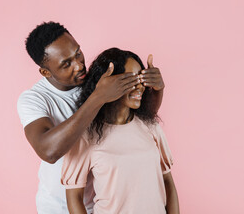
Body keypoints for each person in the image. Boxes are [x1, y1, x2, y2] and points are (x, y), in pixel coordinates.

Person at [17, 22, 165, 214]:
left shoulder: (97, 80)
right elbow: (48, 151)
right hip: (59, 207)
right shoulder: (34, 99)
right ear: (46, 72)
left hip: (101, 204)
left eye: (77, 53)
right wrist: (98, 97)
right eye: (66, 64)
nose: (79, 65)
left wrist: (157, 89)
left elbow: (141, 119)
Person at [61, 48, 180, 214]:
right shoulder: (86, 135)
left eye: (141, 78)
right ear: (110, 83)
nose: (140, 86)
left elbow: (167, 181)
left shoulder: (150, 126)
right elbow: (74, 196)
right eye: (131, 80)